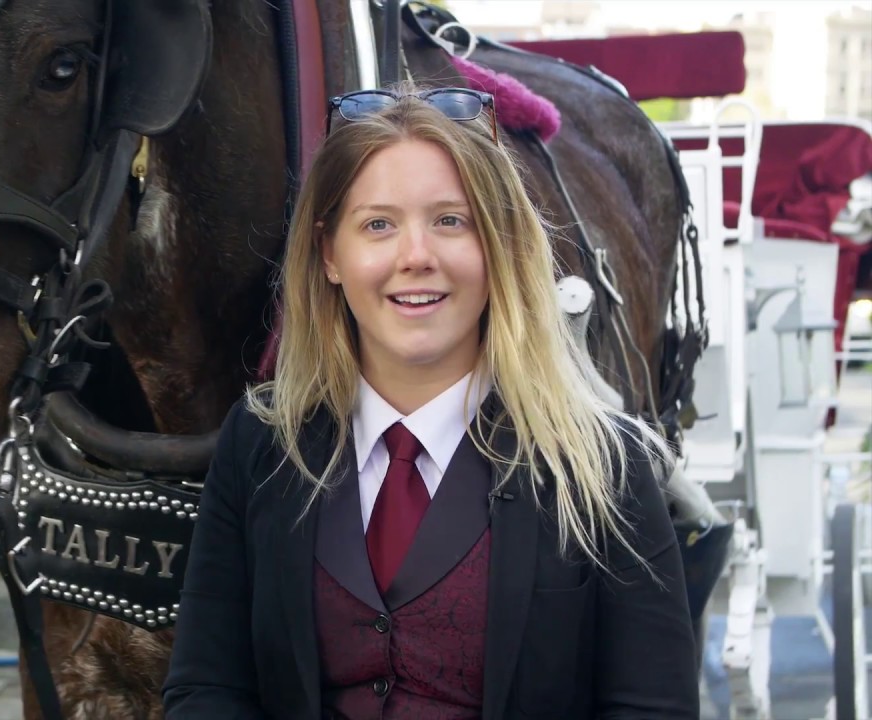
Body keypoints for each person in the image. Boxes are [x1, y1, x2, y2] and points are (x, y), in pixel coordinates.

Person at [161, 84, 699, 719]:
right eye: (378, 225)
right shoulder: (260, 445)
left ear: (501, 248)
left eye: (451, 221)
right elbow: (208, 690)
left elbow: (651, 709)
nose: (416, 257)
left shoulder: (606, 466)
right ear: (331, 253)